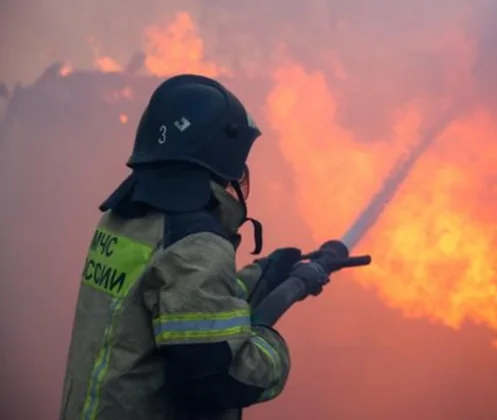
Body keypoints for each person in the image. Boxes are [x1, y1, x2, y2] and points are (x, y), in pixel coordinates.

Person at [59, 74, 331, 420]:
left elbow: (182, 303)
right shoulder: (195, 244)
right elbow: (216, 377)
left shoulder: (126, 220)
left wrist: (264, 273)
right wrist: (268, 343)